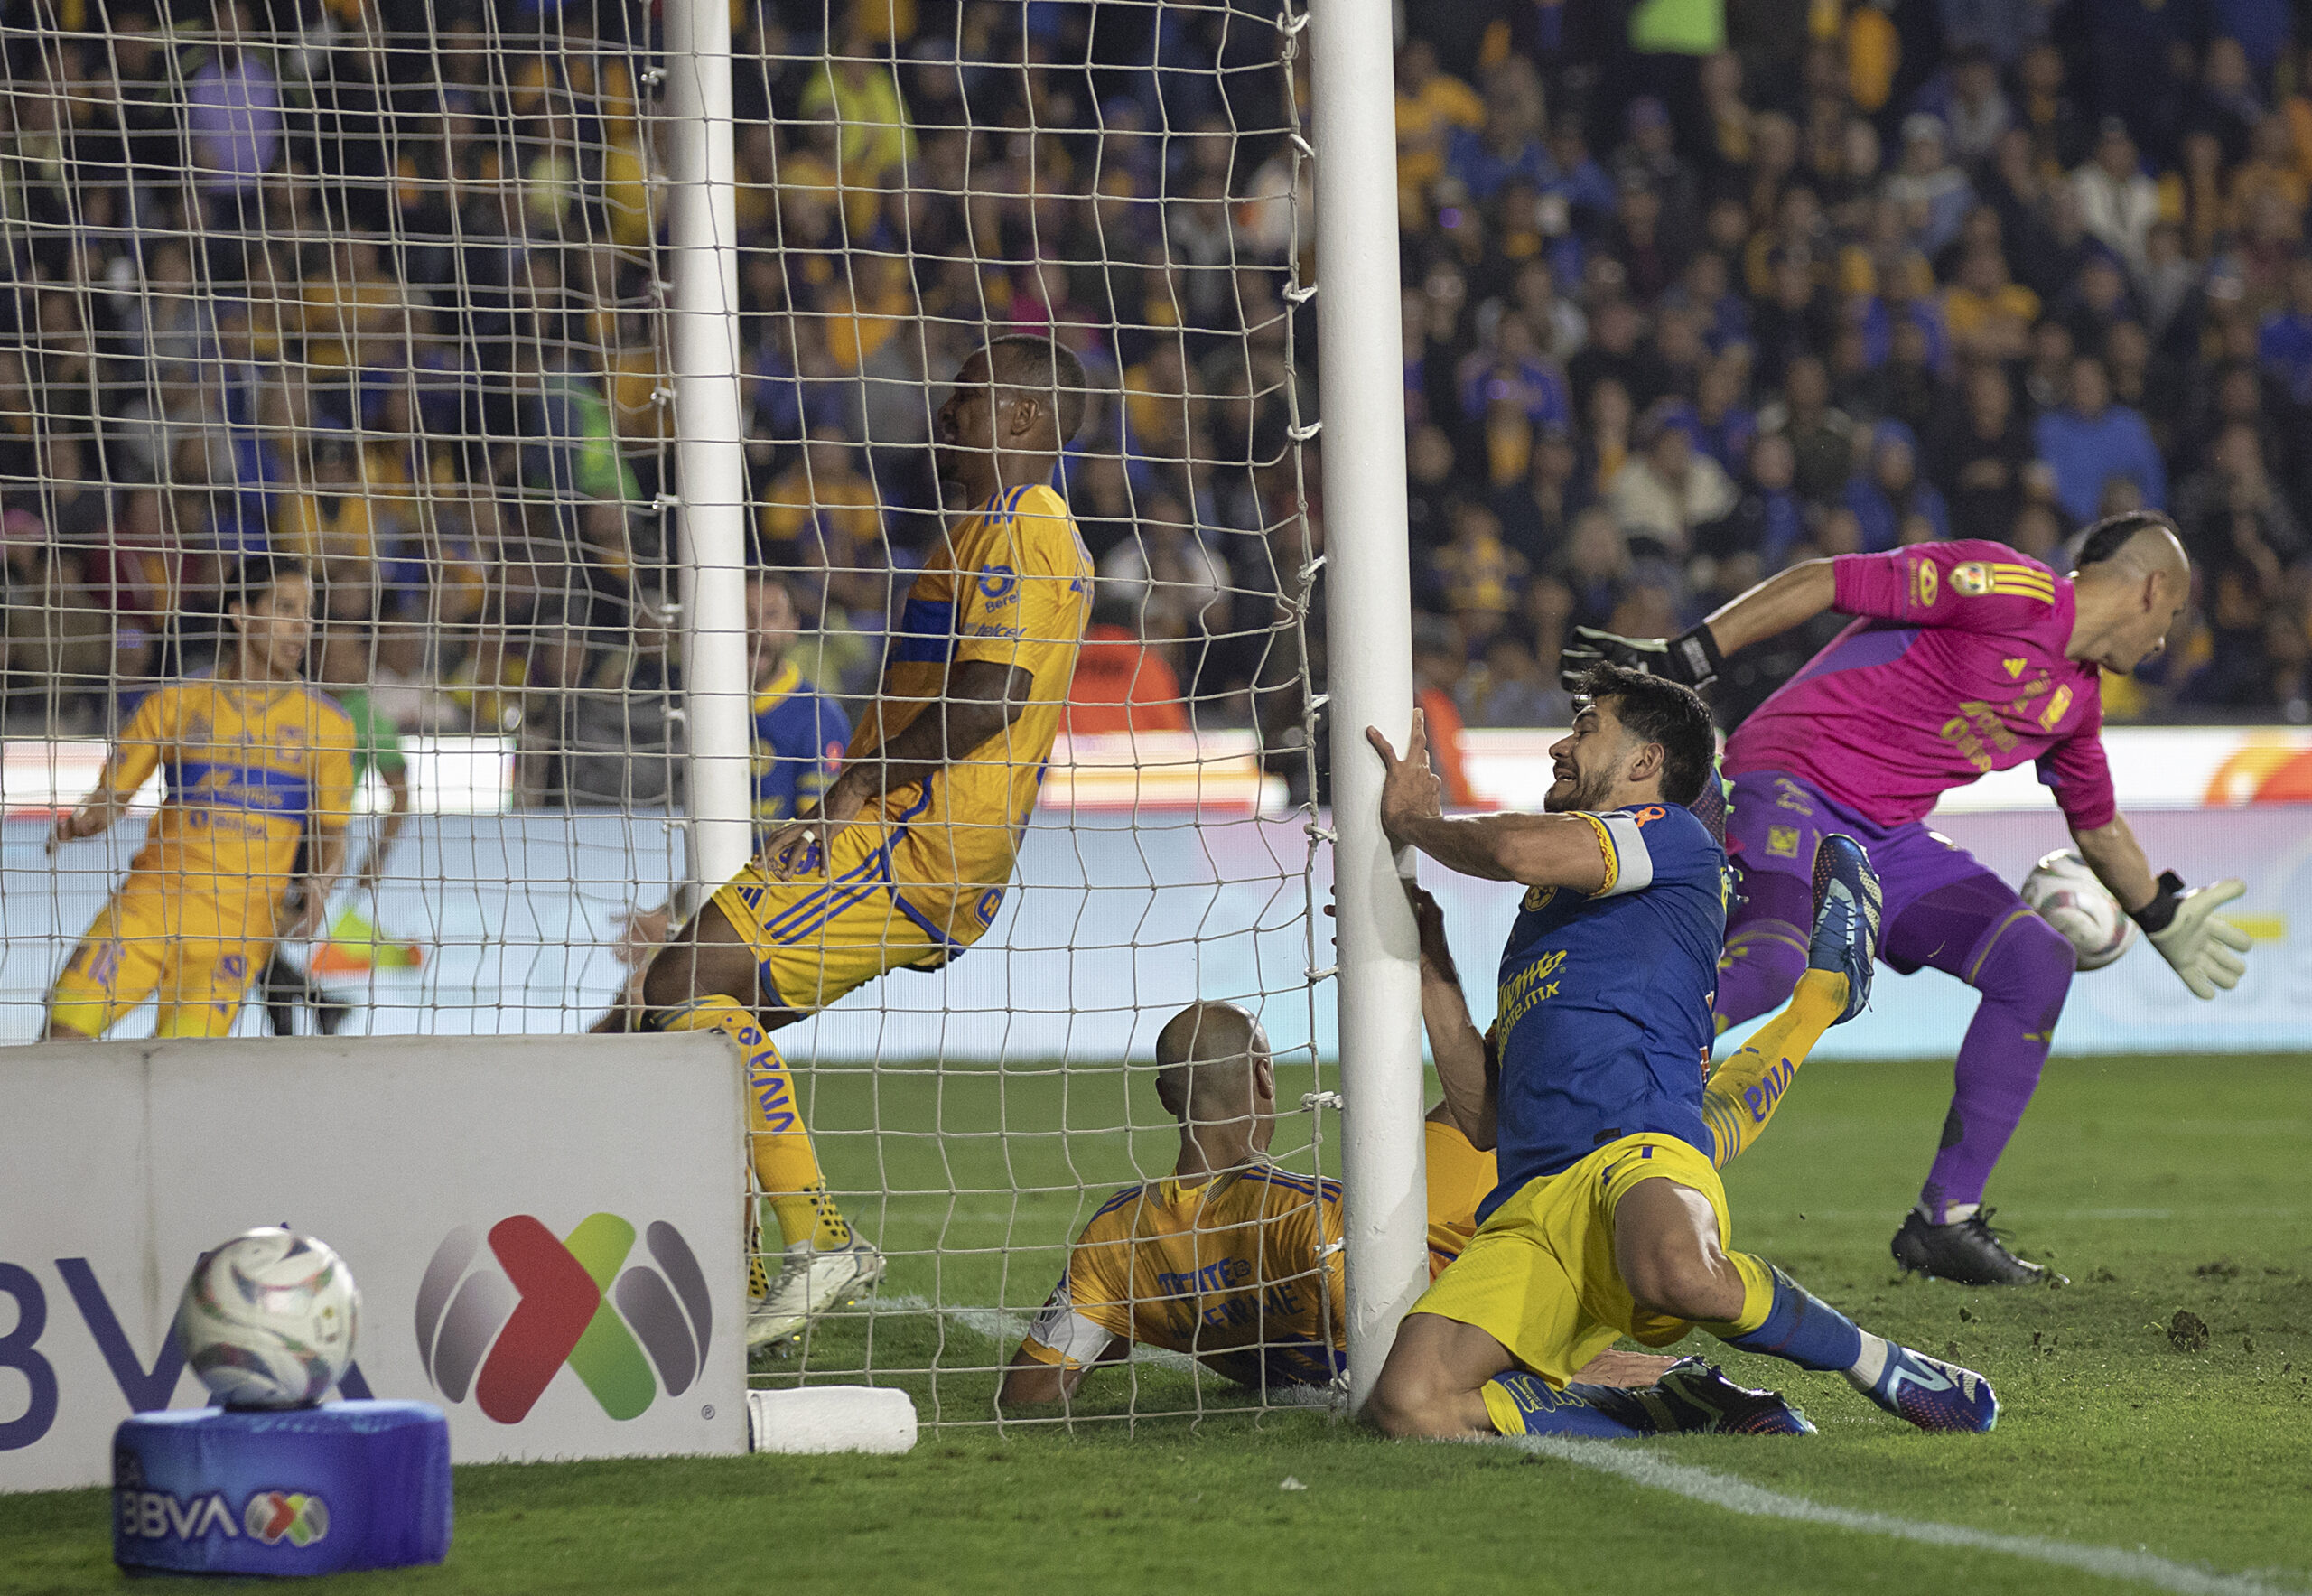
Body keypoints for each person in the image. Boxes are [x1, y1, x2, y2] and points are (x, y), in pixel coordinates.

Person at [1559, 514, 2251, 1283]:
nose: (2165, 642)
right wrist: (1694, 654)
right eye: (2176, 615)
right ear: (2153, 588)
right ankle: (1601, 1071)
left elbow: (2096, 825)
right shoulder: (2010, 588)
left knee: (2036, 962)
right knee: (1776, 962)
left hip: (1885, 834)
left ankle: (1945, 1222)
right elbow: (1829, 578)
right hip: (1788, 778)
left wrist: (2159, 910)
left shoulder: (2076, 703)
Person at [1363, 670, 2000, 1441]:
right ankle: (1661, 1405)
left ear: (1645, 762)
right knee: (1408, 1402)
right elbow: (1484, 1116)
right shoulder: (1539, 921)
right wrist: (1431, 963)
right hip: (1532, 1205)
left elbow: (1513, 846)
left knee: (1680, 1272)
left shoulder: (1669, 836)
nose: (1562, 744)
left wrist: (1417, 823)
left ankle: (1882, 1363)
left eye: (1586, 725)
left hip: (1636, 1154)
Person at [620, 336, 1093, 1348]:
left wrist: (862, 781)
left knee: (670, 991)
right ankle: (747, 1266)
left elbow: (993, 696)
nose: (943, 415)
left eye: (965, 398)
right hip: (898, 833)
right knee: (686, 1018)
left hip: (912, 841)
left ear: (1019, 418)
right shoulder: (975, 531)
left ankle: (818, 1242)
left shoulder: (1025, 527)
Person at [45, 556, 355, 1040]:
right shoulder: (175, 704)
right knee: (59, 1044)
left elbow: (334, 831)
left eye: (309, 612)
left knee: (179, 1075)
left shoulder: (329, 727)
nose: (302, 626)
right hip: (148, 911)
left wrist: (320, 884)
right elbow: (112, 795)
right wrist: (89, 819)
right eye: (286, 608)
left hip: (235, 936)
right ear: (241, 614)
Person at [611, 571, 851, 982]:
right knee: (640, 996)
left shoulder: (818, 718)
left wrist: (677, 918)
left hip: (787, 909)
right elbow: (724, 845)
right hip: (726, 896)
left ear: (793, 629)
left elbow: (814, 847)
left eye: (771, 615)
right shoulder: (701, 709)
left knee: (645, 994)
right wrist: (673, 912)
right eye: (744, 615)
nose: (756, 629)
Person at [258, 616, 415, 1035]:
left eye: (343, 651)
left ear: (362, 659)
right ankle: (317, 1009)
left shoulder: (368, 718)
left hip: (315, 845)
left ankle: (309, 1014)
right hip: (268, 835)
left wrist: (376, 857)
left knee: (257, 938)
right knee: (255, 937)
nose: (329, 658)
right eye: (323, 648)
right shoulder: (293, 701)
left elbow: (400, 793)